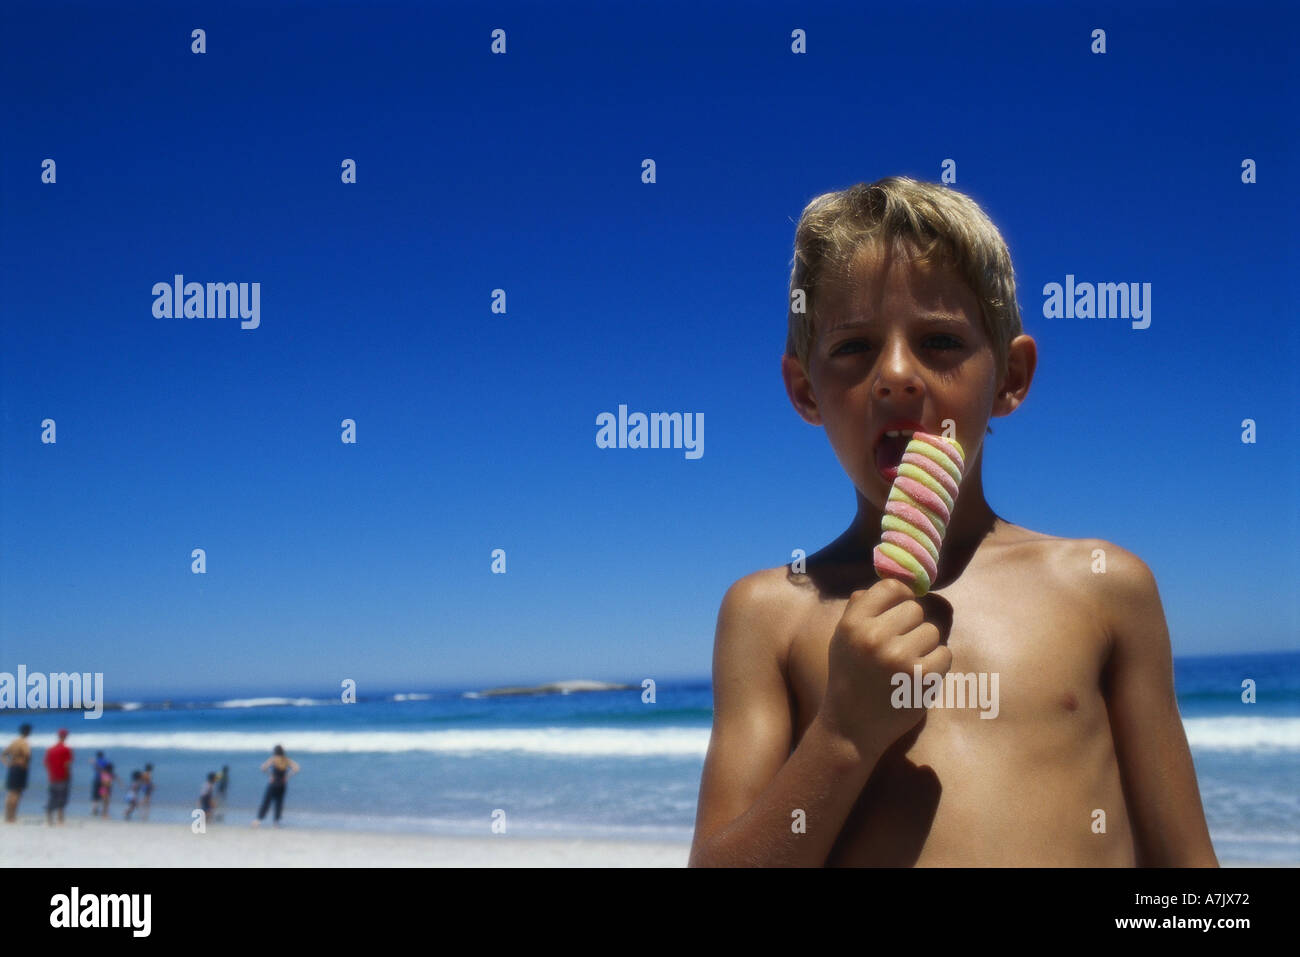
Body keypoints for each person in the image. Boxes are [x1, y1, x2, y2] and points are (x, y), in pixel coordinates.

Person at [689, 177, 1218, 867]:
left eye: (940, 340)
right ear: (803, 390)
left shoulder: (1105, 589)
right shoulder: (769, 614)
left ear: (1010, 378)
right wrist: (843, 737)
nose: (897, 375)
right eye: (853, 347)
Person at [253, 745, 299, 827]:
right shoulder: (286, 760)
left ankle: (258, 820)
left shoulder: (274, 759)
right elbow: (296, 768)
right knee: (279, 803)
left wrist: (270, 775)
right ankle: (276, 822)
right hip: (282, 784)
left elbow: (263, 768)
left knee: (267, 801)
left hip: (273, 783)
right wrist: (288, 776)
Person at [2, 724, 33, 822]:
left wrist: (7, 764)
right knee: (17, 793)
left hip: (13, 767)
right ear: (28, 732)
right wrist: (25, 764)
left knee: (10, 793)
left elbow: (3, 754)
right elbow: (27, 755)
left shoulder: (14, 742)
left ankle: (8, 815)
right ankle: (12, 816)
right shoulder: (24, 743)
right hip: (20, 768)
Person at [43, 728, 74, 825]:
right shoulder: (66, 749)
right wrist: (68, 776)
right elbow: (67, 764)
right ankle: (60, 819)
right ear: (65, 736)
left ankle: (49, 818)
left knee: (53, 797)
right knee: (62, 798)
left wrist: (51, 773)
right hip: (63, 777)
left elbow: (45, 763)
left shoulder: (50, 749)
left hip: (52, 777)